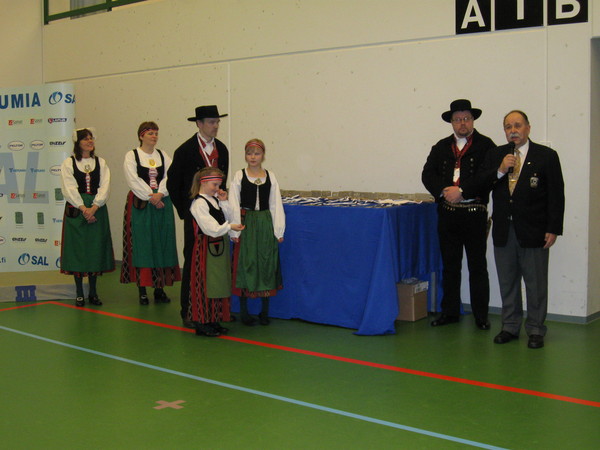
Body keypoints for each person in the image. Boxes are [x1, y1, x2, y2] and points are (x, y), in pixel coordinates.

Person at [480, 110, 564, 349]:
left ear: (528, 127)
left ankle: (536, 329)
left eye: (517, 125)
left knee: (535, 283)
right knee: (507, 282)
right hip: (504, 229)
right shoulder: (496, 155)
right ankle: (510, 326)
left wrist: (553, 228)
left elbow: (556, 195)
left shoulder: (546, 156)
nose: (513, 130)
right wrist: (500, 169)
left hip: (535, 230)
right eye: (508, 127)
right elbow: (483, 184)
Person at [422, 99, 496, 329]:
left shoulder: (486, 145)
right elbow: (427, 174)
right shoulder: (441, 146)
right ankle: (450, 312)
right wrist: (444, 191)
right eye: (457, 119)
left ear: (473, 120)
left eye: (466, 118)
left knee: (477, 266)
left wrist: (462, 191)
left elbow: (488, 176)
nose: (462, 123)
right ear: (452, 123)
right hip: (448, 213)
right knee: (450, 266)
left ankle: (481, 316)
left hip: (474, 213)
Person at [167, 105, 230, 328]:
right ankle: (189, 311)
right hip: (195, 215)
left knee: (215, 263)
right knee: (194, 261)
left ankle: (213, 312)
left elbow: (223, 181)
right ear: (199, 124)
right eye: (211, 122)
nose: (216, 126)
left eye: (217, 122)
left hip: (216, 212)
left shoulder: (222, 149)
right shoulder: (185, 151)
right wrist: (186, 210)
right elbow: (173, 183)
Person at [120, 121, 181, 304]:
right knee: (143, 244)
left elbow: (171, 175)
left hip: (162, 202)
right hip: (142, 204)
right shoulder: (132, 155)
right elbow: (133, 179)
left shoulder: (163, 155)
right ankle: (143, 290)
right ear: (141, 136)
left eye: (156, 133)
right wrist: (151, 196)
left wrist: (160, 193)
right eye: (150, 133)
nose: (154, 136)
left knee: (161, 243)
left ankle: (159, 289)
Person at [229, 139, 285, 326]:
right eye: (249, 153)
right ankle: (244, 312)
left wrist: (278, 230)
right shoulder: (239, 175)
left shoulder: (271, 176)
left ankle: (264, 311)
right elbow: (233, 203)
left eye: (257, 153)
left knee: (266, 263)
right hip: (247, 224)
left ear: (263, 156)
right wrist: (235, 231)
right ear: (245, 155)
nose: (253, 157)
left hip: (265, 223)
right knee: (247, 263)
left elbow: (275, 204)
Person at [60, 127, 114, 306]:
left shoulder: (101, 162)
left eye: (91, 138)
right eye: (85, 139)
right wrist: (84, 208)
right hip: (77, 209)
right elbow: (69, 188)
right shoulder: (69, 163)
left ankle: (93, 292)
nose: (90, 141)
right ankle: (79, 293)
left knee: (94, 250)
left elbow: (104, 186)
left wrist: (95, 206)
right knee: (78, 251)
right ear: (78, 142)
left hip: (97, 208)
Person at [188, 167, 244, 336]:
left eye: (219, 185)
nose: (217, 188)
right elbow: (211, 229)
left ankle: (213, 319)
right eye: (214, 184)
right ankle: (202, 322)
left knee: (217, 283)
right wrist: (230, 226)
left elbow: (226, 218)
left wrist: (224, 202)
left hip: (218, 246)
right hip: (206, 247)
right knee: (205, 284)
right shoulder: (199, 203)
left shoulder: (214, 200)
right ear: (203, 183)